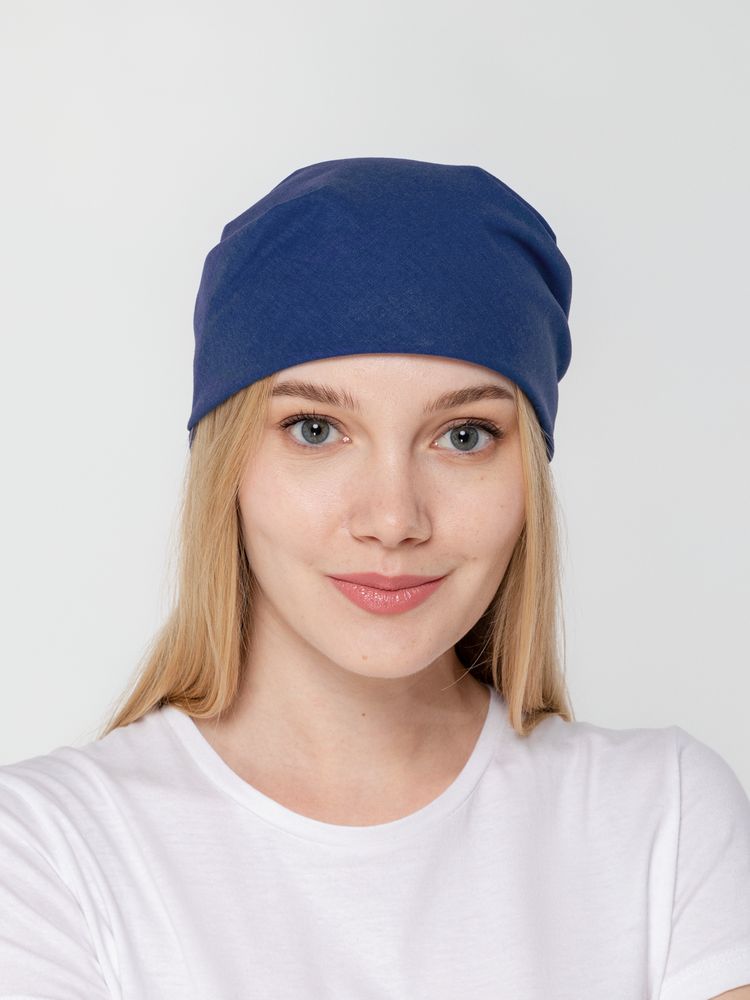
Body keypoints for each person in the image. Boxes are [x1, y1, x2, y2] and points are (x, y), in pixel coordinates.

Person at [1, 157, 748, 999]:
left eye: (464, 436)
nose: (393, 519)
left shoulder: (663, 819)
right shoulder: (46, 854)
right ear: (226, 469)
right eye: (316, 429)